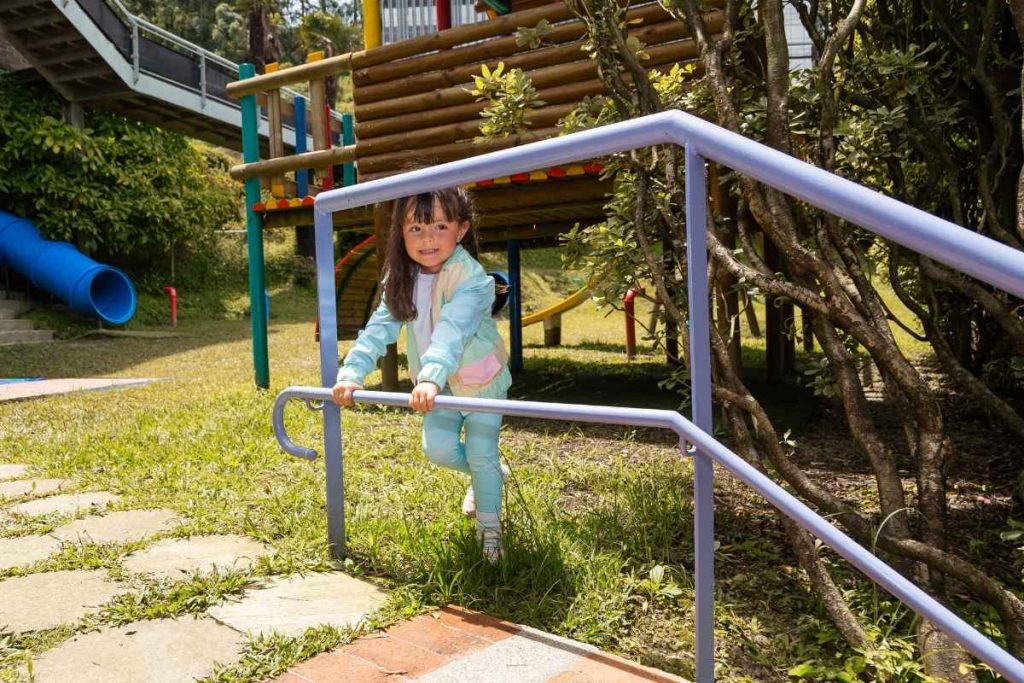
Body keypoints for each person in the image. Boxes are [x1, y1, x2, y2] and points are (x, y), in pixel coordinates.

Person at [331, 187, 512, 562]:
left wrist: (430, 377)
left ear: (461, 230)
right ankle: (490, 474)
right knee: (438, 450)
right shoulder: (402, 278)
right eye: (416, 228)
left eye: (440, 226)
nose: (428, 238)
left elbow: (453, 330)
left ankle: (491, 534)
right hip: (437, 386)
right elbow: (378, 328)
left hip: (480, 381)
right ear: (400, 231)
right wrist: (352, 372)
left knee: (481, 452)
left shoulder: (472, 279)